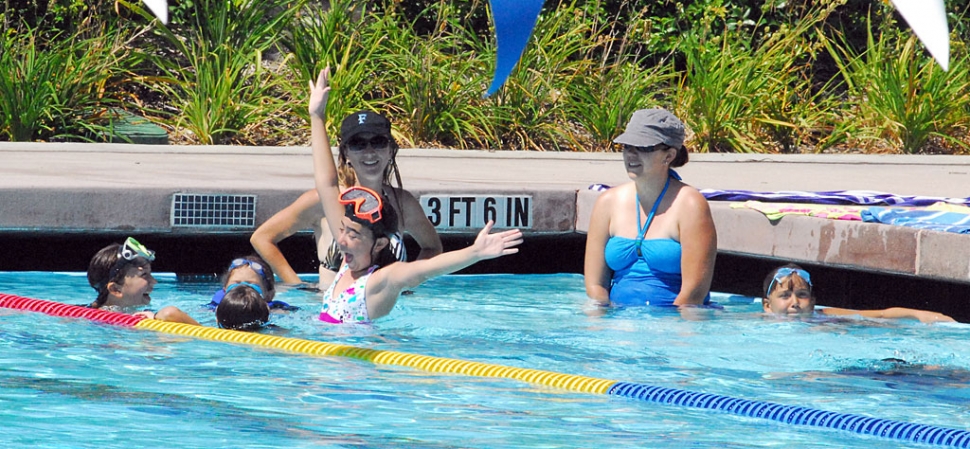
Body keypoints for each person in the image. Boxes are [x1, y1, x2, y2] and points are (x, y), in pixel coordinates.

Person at [309, 67, 523, 323]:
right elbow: (326, 182)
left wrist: (475, 253)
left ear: (379, 244)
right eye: (343, 231)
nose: (340, 240)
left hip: (360, 352)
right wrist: (316, 116)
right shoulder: (349, 252)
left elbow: (426, 267)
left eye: (377, 142)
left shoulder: (383, 278)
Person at [250, 106, 442, 286]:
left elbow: (432, 247)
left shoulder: (402, 203)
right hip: (332, 314)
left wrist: (407, 281)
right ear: (346, 153)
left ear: (390, 150)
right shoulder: (323, 200)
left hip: (387, 313)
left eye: (378, 142)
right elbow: (262, 238)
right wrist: (296, 285)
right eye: (358, 144)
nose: (369, 152)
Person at [584, 108, 717, 307]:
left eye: (643, 148)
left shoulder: (690, 205)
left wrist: (660, 329)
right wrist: (601, 327)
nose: (631, 154)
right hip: (619, 326)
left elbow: (693, 294)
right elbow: (595, 285)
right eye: (627, 146)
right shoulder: (608, 202)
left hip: (672, 322)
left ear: (669, 155)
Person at [762, 264, 955, 323]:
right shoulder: (753, 322)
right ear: (767, 306)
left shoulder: (824, 316)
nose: (795, 302)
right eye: (785, 296)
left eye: (802, 294)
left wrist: (918, 314)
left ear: (813, 301)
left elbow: (880, 314)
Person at [87, 237, 199, 325]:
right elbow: (170, 313)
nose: (154, 281)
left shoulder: (83, 315)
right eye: (144, 275)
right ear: (116, 289)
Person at [207, 255, 297, 311]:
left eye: (250, 284)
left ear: (269, 295)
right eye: (236, 283)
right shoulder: (213, 309)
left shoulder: (277, 311)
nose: (242, 288)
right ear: (224, 290)